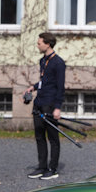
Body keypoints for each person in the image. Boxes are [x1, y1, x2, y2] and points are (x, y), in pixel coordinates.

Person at [25, 33, 66, 180]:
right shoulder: (43, 60)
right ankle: (42, 167)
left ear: (47, 44)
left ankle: (52, 169)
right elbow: (45, 81)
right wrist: (34, 87)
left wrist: (57, 107)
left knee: (53, 138)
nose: (37, 45)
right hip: (39, 102)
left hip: (50, 104)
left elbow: (60, 86)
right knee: (39, 136)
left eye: (39, 43)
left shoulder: (58, 63)